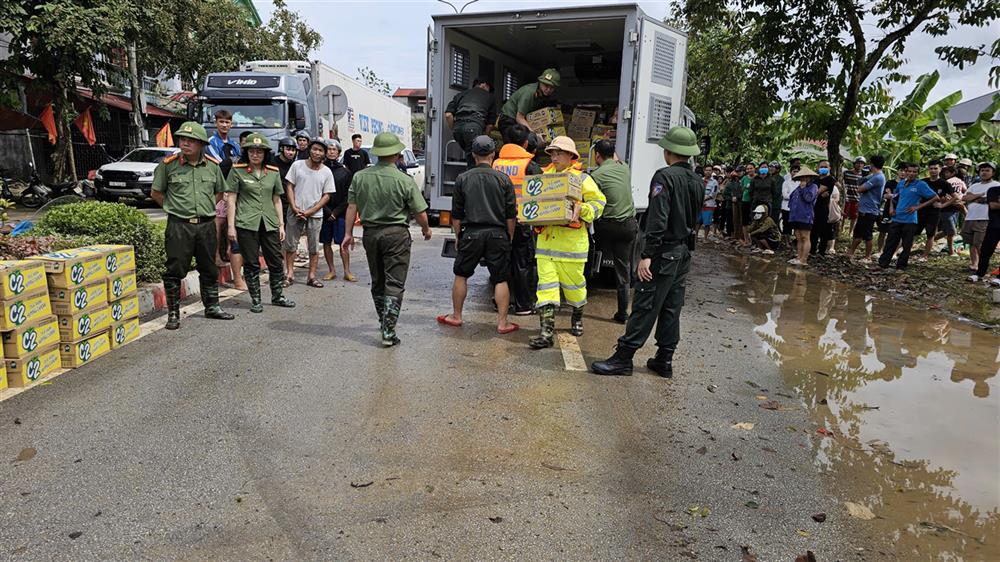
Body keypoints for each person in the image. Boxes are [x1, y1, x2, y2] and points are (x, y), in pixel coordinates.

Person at [590, 126, 702, 377]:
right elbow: (696, 218)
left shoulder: (664, 177)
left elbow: (658, 220)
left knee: (646, 302)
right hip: (683, 253)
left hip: (662, 252)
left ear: (668, 151)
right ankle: (664, 359)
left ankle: (624, 357)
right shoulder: (697, 180)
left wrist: (647, 255)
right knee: (672, 306)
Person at [343, 132, 432, 347]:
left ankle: (383, 320)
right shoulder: (404, 180)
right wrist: (426, 229)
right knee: (394, 282)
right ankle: (389, 330)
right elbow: (420, 212)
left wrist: (347, 234)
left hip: (370, 234)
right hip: (396, 235)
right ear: (396, 154)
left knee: (378, 280)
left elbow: (352, 207)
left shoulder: (360, 177)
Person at [150, 121, 235, 330]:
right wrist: (174, 209)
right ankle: (173, 314)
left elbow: (218, 193)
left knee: (208, 267)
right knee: (175, 269)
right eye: (182, 139)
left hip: (206, 225)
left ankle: (212, 306)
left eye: (191, 141)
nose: (185, 143)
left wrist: (204, 209)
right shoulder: (168, 165)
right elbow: (156, 192)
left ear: (201, 144)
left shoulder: (212, 166)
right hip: (179, 226)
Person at [528, 136, 606, 349]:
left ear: (571, 156)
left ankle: (577, 316)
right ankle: (546, 334)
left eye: (558, 153)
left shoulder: (582, 180)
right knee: (546, 289)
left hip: (572, 247)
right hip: (545, 245)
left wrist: (584, 210)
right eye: (552, 153)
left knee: (575, 290)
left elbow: (600, 203)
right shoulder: (543, 178)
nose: (554, 156)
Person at [436, 136, 519, 334]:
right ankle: (502, 322)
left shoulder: (462, 179)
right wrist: (509, 236)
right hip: (498, 234)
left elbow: (456, 215)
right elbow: (510, 215)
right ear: (493, 154)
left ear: (473, 155)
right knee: (500, 278)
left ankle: (456, 316)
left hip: (471, 233)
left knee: (461, 274)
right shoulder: (503, 179)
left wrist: (458, 236)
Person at [224, 133, 296, 313]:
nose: (255, 155)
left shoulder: (272, 172)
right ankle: (256, 299)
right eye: (252, 151)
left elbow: (277, 200)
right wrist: (231, 226)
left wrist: (281, 225)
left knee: (275, 260)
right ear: (246, 152)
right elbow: (231, 200)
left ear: (265, 154)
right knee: (251, 262)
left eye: (259, 152)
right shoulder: (237, 170)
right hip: (246, 222)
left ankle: (278, 295)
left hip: (269, 222)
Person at [493, 124, 542, 316]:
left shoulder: (495, 163)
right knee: (523, 263)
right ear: (525, 143)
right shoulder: (530, 166)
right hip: (522, 221)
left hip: (498, 221)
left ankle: (500, 302)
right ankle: (523, 305)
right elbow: (541, 192)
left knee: (501, 262)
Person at [591, 139, 638, 323]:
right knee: (623, 270)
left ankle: (591, 269)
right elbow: (615, 158)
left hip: (607, 228)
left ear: (597, 156)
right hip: (629, 226)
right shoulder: (624, 168)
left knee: (590, 242)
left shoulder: (597, 175)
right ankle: (622, 313)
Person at [283, 137, 335, 287]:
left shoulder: (326, 172)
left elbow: (327, 195)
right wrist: (293, 206)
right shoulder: (297, 166)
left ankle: (311, 276)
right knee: (290, 245)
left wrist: (311, 210)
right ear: (309, 150)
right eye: (314, 149)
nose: (317, 153)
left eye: (320, 150)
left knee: (313, 247)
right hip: (295, 212)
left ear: (324, 154)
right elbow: (289, 186)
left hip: (315, 215)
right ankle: (289, 274)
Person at [877, 162, 939, 271]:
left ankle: (901, 266)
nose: (911, 174)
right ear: (906, 172)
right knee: (890, 242)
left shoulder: (920, 185)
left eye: (914, 172)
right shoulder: (901, 184)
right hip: (897, 217)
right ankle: (883, 264)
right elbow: (894, 197)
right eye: (909, 171)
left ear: (917, 173)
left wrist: (918, 207)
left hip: (910, 220)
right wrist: (892, 208)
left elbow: (935, 197)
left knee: (906, 245)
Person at [322, 140, 356, 282]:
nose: (331, 152)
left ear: (339, 153)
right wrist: (327, 211)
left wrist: (335, 212)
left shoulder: (345, 172)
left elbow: (349, 196)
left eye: (334, 150)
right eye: (328, 149)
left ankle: (347, 271)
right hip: (323, 212)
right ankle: (331, 270)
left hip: (340, 213)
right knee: (326, 243)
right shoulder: (320, 170)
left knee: (343, 243)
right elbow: (316, 193)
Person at [445, 78, 498, 168]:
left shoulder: (461, 95)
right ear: (484, 85)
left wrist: (454, 129)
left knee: (470, 157)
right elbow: (490, 125)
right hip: (474, 127)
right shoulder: (489, 97)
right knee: (474, 163)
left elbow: (448, 115)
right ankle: (471, 180)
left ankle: (467, 178)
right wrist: (485, 139)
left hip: (458, 129)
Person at [847, 154, 886, 262]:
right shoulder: (873, 176)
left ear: (872, 164)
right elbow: (860, 182)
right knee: (858, 233)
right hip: (864, 209)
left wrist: (863, 182)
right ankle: (851, 252)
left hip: (870, 211)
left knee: (867, 235)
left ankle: (867, 257)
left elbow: (859, 189)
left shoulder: (878, 177)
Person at [497, 69, 559, 136]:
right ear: (540, 82)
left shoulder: (543, 95)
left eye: (552, 87)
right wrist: (534, 133)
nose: (548, 90)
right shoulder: (529, 93)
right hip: (508, 119)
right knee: (516, 143)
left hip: (521, 121)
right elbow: (519, 118)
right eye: (546, 85)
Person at [916, 159, 956, 260]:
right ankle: (903, 252)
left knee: (930, 234)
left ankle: (925, 256)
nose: (933, 171)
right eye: (931, 168)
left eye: (935, 168)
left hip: (934, 212)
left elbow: (956, 197)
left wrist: (943, 205)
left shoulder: (944, 183)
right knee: (913, 232)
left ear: (940, 169)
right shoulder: (923, 181)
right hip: (920, 210)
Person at [967, 162, 1000, 282]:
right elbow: (993, 205)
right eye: (982, 170)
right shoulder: (994, 190)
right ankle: (979, 273)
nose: (984, 172)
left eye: (987, 170)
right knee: (985, 250)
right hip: (994, 225)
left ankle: (999, 277)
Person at [788, 166, 819, 265]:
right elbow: (791, 198)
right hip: (795, 216)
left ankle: (804, 259)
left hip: (806, 216)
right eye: (802, 177)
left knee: (805, 237)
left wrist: (803, 189)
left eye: (805, 177)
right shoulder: (797, 187)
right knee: (798, 237)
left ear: (810, 177)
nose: (803, 179)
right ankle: (799, 257)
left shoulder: (813, 187)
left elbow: (809, 198)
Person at [811, 161, 837, 256]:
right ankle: (812, 250)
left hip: (823, 208)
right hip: (812, 207)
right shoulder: (815, 179)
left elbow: (815, 192)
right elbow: (812, 192)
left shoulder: (830, 179)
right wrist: (818, 193)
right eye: (821, 166)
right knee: (813, 230)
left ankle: (822, 251)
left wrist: (817, 192)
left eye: (825, 166)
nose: (823, 168)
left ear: (829, 168)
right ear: (818, 167)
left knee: (823, 230)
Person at [938, 165, 966, 255]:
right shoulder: (960, 181)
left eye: (947, 173)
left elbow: (943, 196)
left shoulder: (946, 182)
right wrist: (961, 199)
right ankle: (951, 252)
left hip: (947, 208)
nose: (945, 174)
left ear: (952, 173)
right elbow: (965, 190)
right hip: (956, 207)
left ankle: (929, 241)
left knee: (947, 231)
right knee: (951, 231)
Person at [206, 110, 241, 179]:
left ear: (231, 124)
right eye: (221, 122)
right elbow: (218, 162)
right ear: (216, 123)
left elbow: (239, 162)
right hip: (217, 178)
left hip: (233, 178)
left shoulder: (235, 144)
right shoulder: (210, 142)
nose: (224, 125)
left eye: (227, 122)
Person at [876, 171, 901, 252]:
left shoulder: (908, 184)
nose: (903, 172)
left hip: (901, 211)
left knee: (898, 233)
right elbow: (885, 195)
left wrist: (892, 195)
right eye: (901, 170)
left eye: (905, 170)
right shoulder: (890, 182)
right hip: (887, 210)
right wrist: (894, 195)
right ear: (898, 171)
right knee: (882, 231)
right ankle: (880, 251)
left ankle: (894, 252)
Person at [843, 157, 865, 237]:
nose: (859, 165)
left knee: (854, 216)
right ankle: (841, 230)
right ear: (854, 163)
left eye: (862, 163)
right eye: (858, 163)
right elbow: (843, 183)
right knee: (843, 215)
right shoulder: (847, 173)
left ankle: (850, 232)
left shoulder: (863, 175)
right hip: (847, 197)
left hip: (857, 198)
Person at [781, 162, 800, 245]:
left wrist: (792, 195)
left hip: (797, 208)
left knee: (796, 225)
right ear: (790, 172)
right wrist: (795, 196)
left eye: (797, 171)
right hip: (786, 207)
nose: (795, 173)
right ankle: (787, 242)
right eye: (793, 171)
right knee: (786, 225)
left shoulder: (800, 183)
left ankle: (797, 241)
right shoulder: (786, 182)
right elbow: (785, 195)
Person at [699, 163, 719, 242]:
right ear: (704, 171)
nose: (708, 172)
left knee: (707, 223)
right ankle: (696, 237)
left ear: (712, 171)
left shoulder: (714, 182)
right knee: (697, 222)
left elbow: (713, 194)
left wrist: (703, 199)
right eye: (706, 170)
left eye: (709, 170)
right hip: (699, 205)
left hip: (709, 205)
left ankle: (705, 238)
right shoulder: (700, 181)